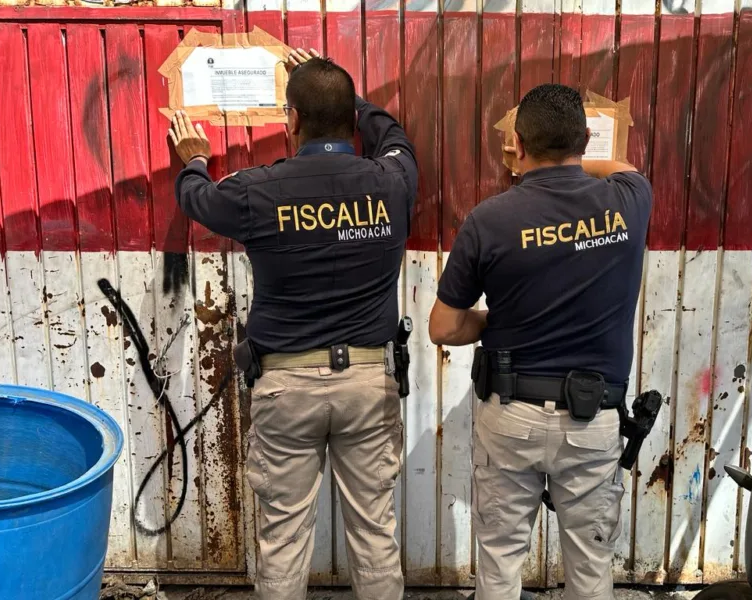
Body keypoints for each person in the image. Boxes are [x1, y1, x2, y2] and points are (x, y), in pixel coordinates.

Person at [169, 49, 416, 600]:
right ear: (351, 119)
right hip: (369, 386)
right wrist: (353, 100)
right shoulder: (394, 180)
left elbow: (198, 199)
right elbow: (395, 135)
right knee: (375, 534)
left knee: (282, 540)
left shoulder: (256, 190)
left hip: (285, 387)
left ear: (293, 120)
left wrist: (194, 158)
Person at [429, 83, 652, 600]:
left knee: (500, 562)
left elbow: (443, 327)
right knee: (591, 568)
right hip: (593, 421)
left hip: (511, 416)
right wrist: (570, 158)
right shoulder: (629, 200)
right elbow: (623, 167)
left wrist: (495, 319)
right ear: (587, 139)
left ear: (519, 145)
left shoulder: (489, 219)